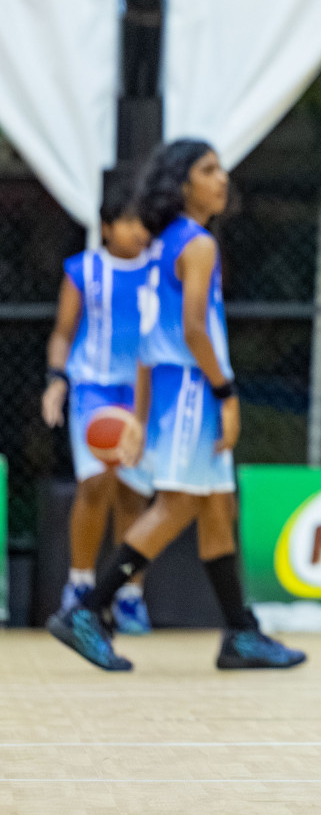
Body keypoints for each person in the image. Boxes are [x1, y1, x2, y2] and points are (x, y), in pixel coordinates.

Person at [46, 139, 306, 674]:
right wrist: (226, 392)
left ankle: (240, 632)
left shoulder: (159, 245)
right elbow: (192, 330)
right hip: (192, 388)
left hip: (168, 388)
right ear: (182, 183)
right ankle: (89, 611)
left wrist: (141, 416)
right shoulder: (198, 245)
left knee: (216, 507)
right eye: (208, 169)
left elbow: (146, 341)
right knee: (180, 505)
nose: (222, 178)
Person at [42, 185, 154, 633]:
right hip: (94, 392)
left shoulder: (160, 270)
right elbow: (63, 333)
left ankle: (129, 594)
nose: (136, 230)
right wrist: (56, 381)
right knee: (94, 485)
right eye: (126, 221)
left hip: (143, 394)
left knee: (134, 493)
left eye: (142, 221)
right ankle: (81, 584)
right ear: (106, 227)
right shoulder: (83, 270)